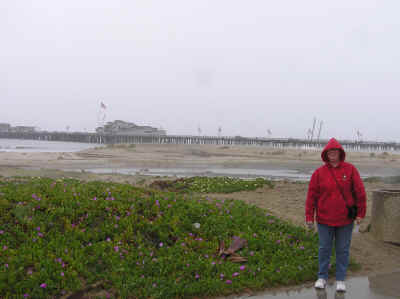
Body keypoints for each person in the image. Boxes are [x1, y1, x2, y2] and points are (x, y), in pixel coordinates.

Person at [305, 138, 366, 292]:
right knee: (324, 248)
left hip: (345, 219)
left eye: (335, 151)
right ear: (326, 154)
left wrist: (361, 213)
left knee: (343, 249)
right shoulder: (319, 173)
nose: (332, 154)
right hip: (324, 219)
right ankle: (322, 277)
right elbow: (311, 196)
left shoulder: (351, 169)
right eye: (329, 152)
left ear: (340, 153)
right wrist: (309, 217)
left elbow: (360, 193)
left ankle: (340, 279)